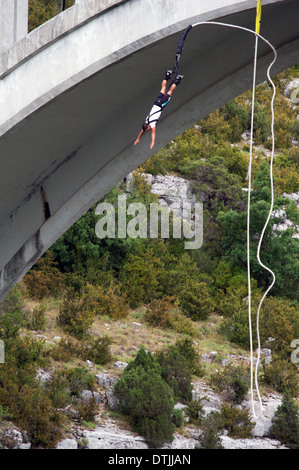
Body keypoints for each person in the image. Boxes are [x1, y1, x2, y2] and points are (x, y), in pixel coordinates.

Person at [134, 71, 184, 149]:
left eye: (148, 130)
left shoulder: (152, 124)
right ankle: (167, 75)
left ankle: (178, 79)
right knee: (163, 88)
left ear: (148, 127)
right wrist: (138, 138)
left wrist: (152, 142)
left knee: (170, 92)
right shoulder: (146, 121)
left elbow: (153, 133)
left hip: (161, 104)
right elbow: (142, 131)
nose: (148, 130)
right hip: (156, 102)